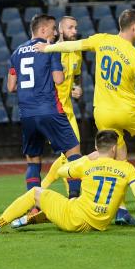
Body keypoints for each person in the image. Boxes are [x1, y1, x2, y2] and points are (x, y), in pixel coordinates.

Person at [35, 8, 135, 225]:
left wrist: (48, 48)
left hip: (102, 113)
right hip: (128, 110)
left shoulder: (102, 40)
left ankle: (121, 211)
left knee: (118, 159)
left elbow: (74, 45)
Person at [0, 130, 135, 235]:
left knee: (36, 192)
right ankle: (27, 220)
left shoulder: (87, 164)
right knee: (68, 203)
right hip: (98, 225)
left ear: (97, 147)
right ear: (114, 148)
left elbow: (61, 171)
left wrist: (87, 157)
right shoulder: (127, 169)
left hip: (75, 220)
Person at [8, 14, 82, 198]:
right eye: (52, 29)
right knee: (73, 152)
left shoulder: (16, 52)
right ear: (42, 30)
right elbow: (58, 79)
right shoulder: (51, 49)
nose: (55, 32)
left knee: (33, 161)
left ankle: (34, 206)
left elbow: (11, 87)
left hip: (27, 114)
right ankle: (74, 198)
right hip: (50, 109)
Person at [40, 16, 83, 194]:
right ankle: (73, 195)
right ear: (60, 30)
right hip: (54, 111)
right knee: (70, 154)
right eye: (70, 27)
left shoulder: (77, 51)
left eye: (75, 27)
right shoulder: (51, 51)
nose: (74, 31)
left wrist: (77, 87)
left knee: (73, 153)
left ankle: (40, 189)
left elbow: (77, 75)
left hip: (69, 111)